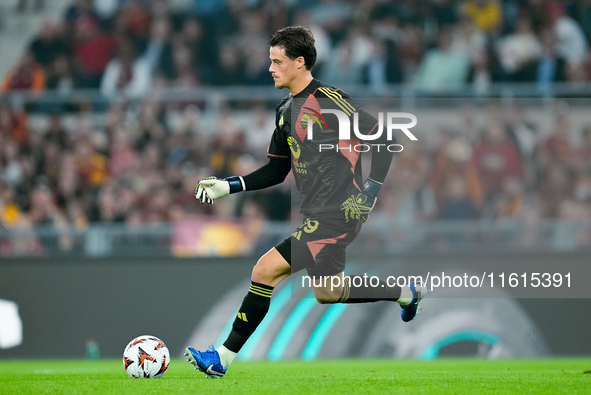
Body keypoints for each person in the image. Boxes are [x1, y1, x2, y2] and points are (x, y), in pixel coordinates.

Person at [184, 26, 427, 378]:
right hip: (316, 212)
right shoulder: (285, 111)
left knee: (264, 270)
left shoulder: (330, 100)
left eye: (277, 61)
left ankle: (222, 357)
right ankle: (405, 293)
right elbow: (275, 171)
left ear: (299, 63)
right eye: (270, 61)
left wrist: (369, 194)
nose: (270, 68)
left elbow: (384, 137)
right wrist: (229, 186)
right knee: (327, 292)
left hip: (340, 211)